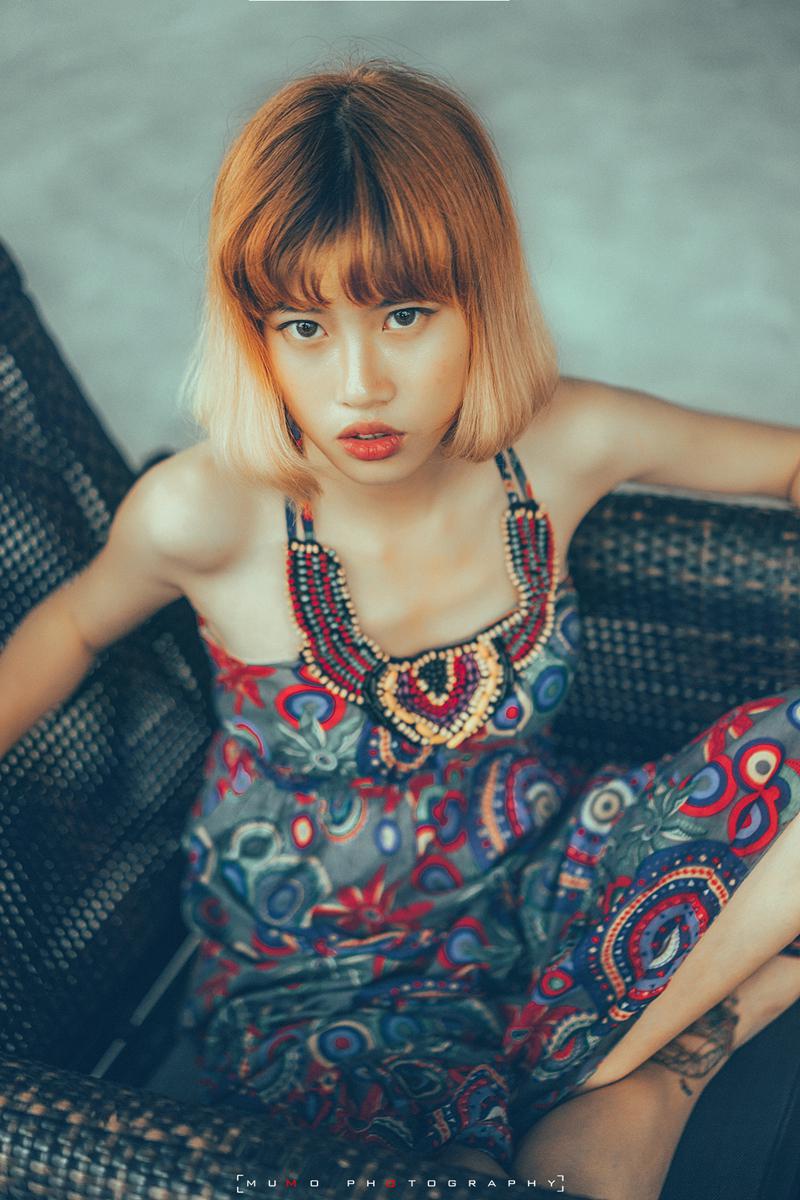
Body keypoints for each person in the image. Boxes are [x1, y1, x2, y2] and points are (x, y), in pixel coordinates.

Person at [2, 58, 800, 1200]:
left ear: (482, 296)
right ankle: (650, 1060)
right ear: (253, 333)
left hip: (540, 881)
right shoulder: (203, 511)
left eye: (406, 314)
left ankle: (603, 1070)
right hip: (320, 977)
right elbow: (72, 627)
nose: (360, 385)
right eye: (302, 325)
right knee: (461, 1172)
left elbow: (786, 461)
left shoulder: (562, 440)